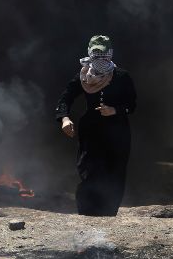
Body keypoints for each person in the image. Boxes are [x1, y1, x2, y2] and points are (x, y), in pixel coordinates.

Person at [54, 35, 137, 216]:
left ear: (110, 54)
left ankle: (109, 212)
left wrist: (114, 110)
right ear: (90, 53)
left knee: (115, 172)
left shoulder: (122, 76)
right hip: (91, 131)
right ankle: (88, 212)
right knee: (89, 170)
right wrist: (64, 118)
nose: (100, 57)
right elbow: (65, 98)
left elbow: (132, 104)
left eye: (103, 53)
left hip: (117, 132)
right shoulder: (84, 76)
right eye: (96, 53)